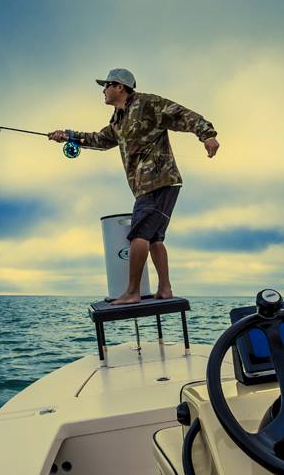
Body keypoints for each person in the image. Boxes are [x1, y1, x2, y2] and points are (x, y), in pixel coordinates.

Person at [49, 68, 220, 305]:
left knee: (139, 234)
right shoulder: (118, 121)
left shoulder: (147, 103)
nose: (103, 91)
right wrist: (68, 135)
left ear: (119, 86)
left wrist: (207, 135)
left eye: (106, 85)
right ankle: (165, 289)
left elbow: (182, 115)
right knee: (154, 237)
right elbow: (98, 140)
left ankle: (132, 291)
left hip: (159, 179)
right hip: (148, 185)